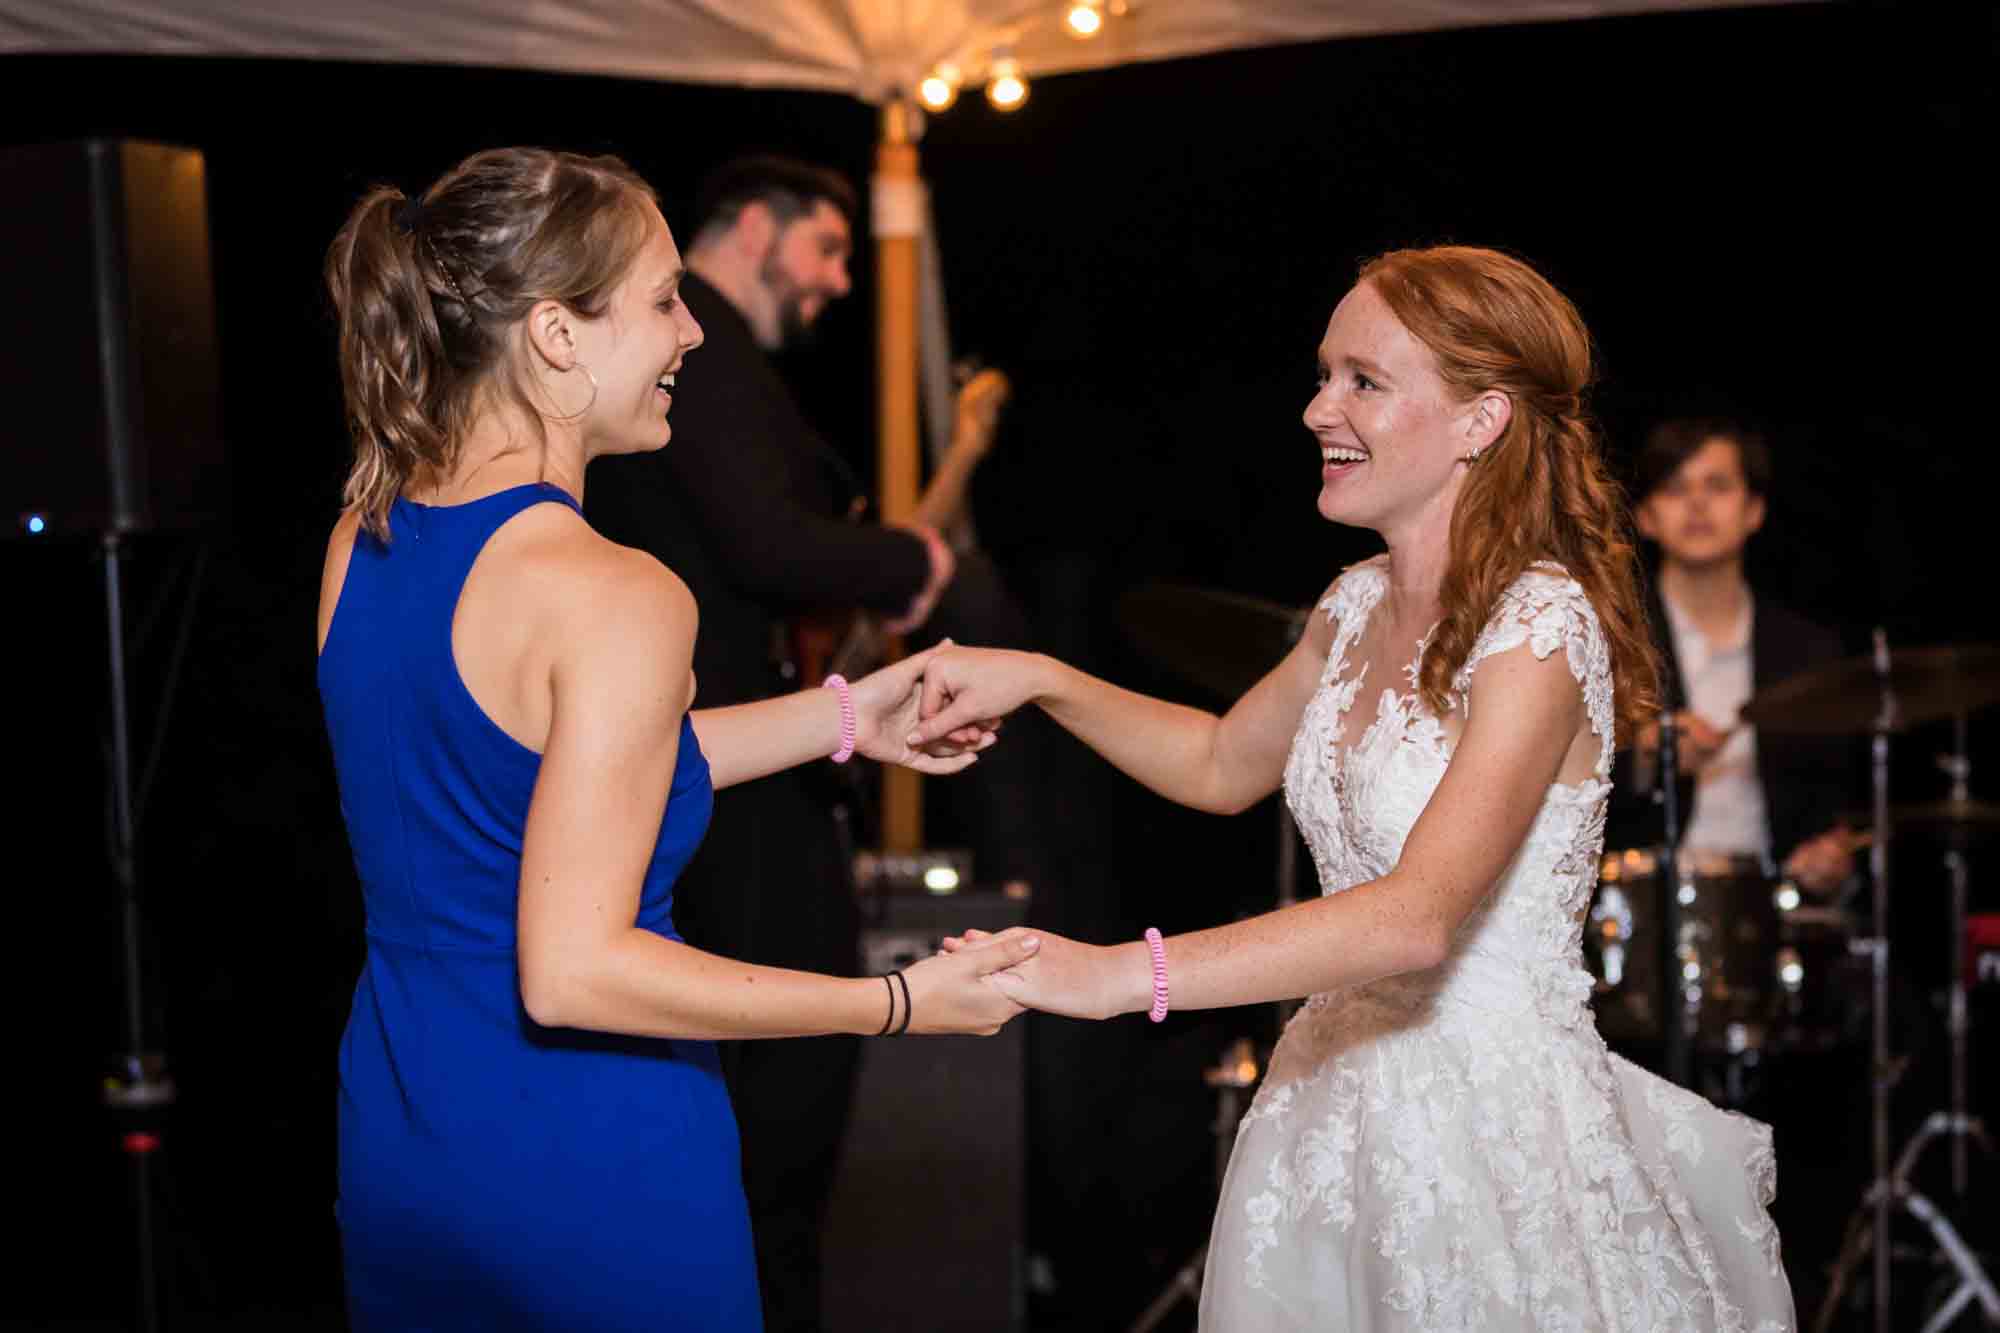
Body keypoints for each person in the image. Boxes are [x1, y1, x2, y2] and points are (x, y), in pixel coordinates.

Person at [910, 246, 1797, 1329]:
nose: (1315, 408)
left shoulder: (1541, 626)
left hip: (1484, 1140)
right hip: (1326, 1118)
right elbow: (1216, 764)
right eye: (1322, 374)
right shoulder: (1350, 604)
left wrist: (1111, 976)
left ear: (1479, 420)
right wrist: (1046, 681)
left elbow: (1419, 918)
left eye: (1361, 381)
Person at [315, 146, 1034, 1332]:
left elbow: (549, 771)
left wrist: (850, 716)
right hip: (596, 1156)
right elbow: (573, 969)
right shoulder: (616, 593)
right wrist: (899, 1001)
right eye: (659, 301)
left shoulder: (364, 534)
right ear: (556, 334)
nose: (691, 335)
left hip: (404, 1135)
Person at [583, 154, 1030, 1331]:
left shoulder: (712, 369)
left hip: (737, 751)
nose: (837, 279)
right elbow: (767, 549)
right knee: (777, 1120)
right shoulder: (710, 355)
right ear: (753, 228)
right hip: (724, 779)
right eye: (826, 249)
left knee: (773, 1120)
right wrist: (912, 564)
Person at [1611, 418, 1862, 893]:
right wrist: (1648, 756)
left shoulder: (1807, 651)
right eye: (1675, 487)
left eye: (1718, 485)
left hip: (1770, 910)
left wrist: (1829, 860)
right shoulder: (1614, 637)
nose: (1698, 504)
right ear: (1645, 516)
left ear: (1754, 510)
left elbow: (1831, 813)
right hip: (1637, 909)